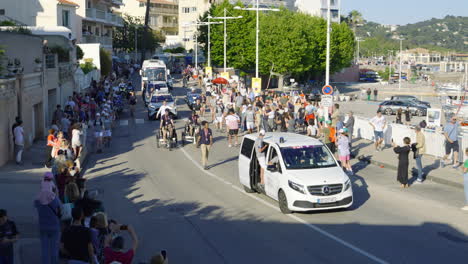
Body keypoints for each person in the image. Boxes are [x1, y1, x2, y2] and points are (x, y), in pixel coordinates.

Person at [34, 173, 61, 264]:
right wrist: (56, 193)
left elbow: (36, 205)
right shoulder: (55, 199)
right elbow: (60, 208)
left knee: (44, 249)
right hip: (54, 226)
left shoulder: (37, 200)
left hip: (43, 226)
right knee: (54, 248)